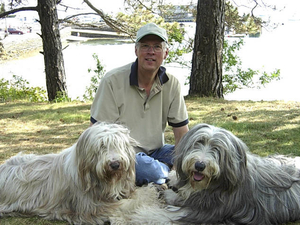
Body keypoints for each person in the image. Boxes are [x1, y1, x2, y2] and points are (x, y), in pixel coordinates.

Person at [90, 23, 189, 186]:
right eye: (145, 46)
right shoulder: (112, 81)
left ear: (166, 52)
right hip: (123, 155)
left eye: (157, 46)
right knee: (148, 170)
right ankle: (164, 175)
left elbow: (182, 133)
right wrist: (176, 172)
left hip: (157, 151)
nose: (151, 52)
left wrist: (180, 163)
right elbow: (96, 132)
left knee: (191, 156)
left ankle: (162, 174)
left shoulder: (172, 84)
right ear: (136, 51)